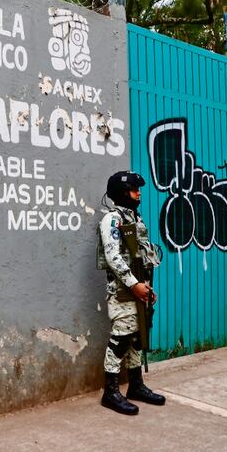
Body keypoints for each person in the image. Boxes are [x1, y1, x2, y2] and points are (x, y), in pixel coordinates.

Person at [97, 171, 165, 415]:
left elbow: (142, 255)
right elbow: (113, 257)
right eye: (134, 189)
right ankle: (110, 391)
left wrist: (146, 286)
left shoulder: (136, 219)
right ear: (122, 192)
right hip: (122, 292)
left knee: (138, 336)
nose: (139, 193)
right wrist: (133, 284)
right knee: (121, 338)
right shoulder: (112, 220)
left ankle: (136, 385)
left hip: (138, 289)